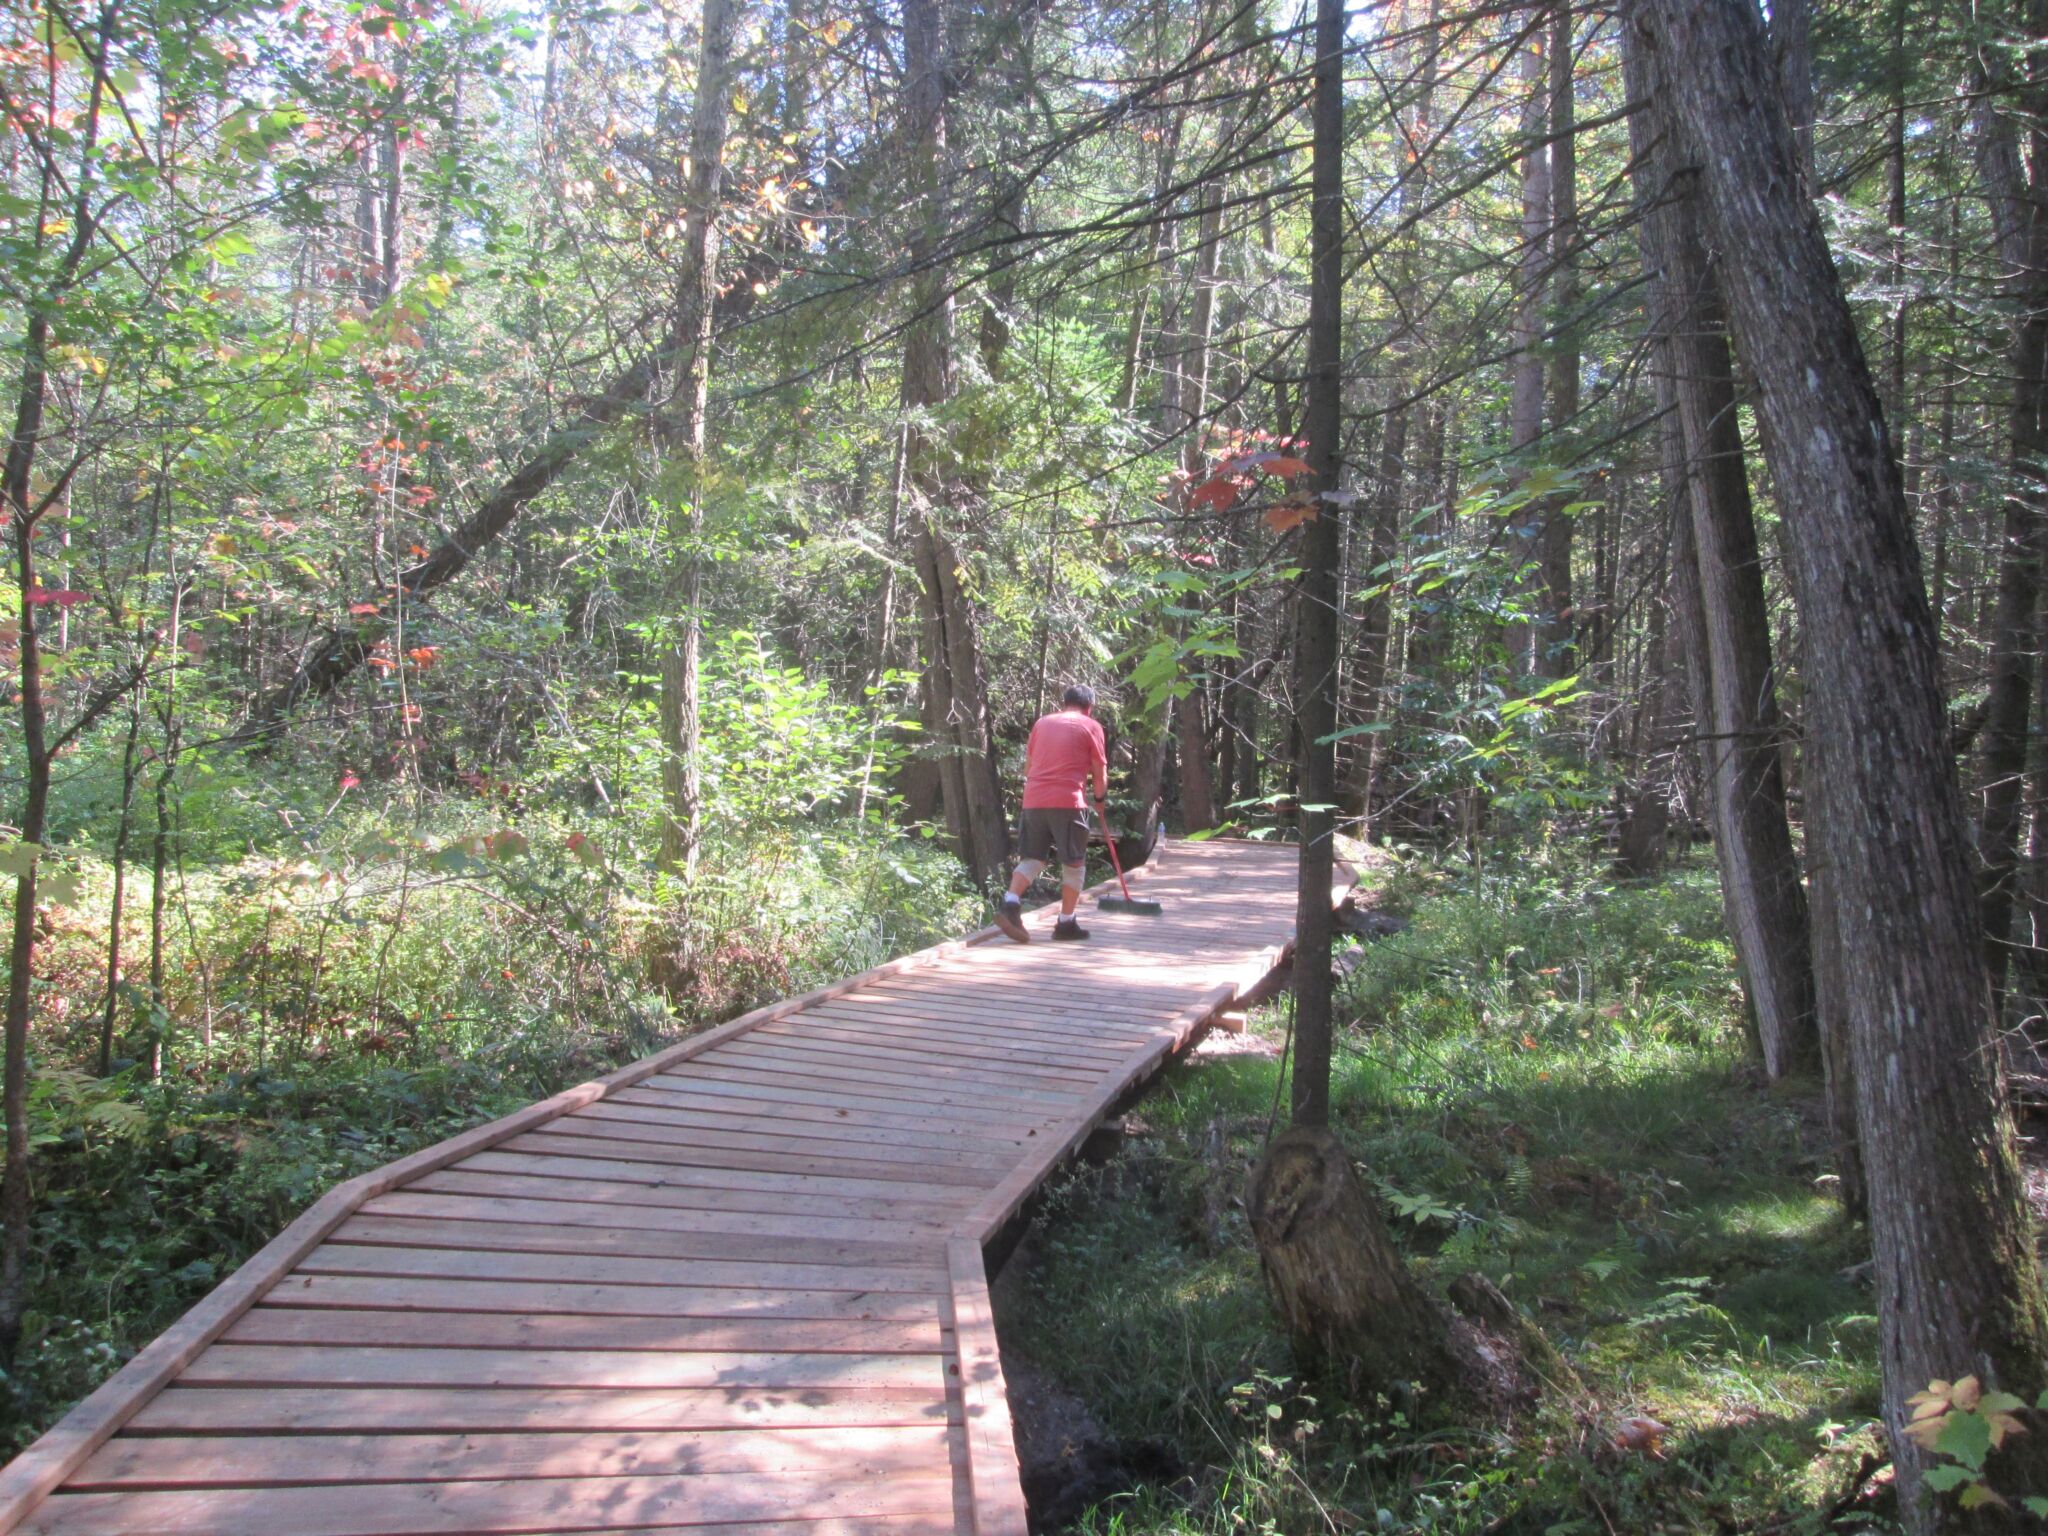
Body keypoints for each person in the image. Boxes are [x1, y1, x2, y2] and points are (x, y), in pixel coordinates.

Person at [994, 684, 1108, 943]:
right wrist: (1099, 800)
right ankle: (1065, 923)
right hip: (1068, 801)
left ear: (1064, 702)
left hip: (1033, 800)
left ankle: (1010, 904)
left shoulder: (1042, 723)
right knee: (1074, 863)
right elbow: (1099, 771)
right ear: (1089, 707)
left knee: (1033, 857)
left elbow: (1028, 767)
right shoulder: (1091, 726)